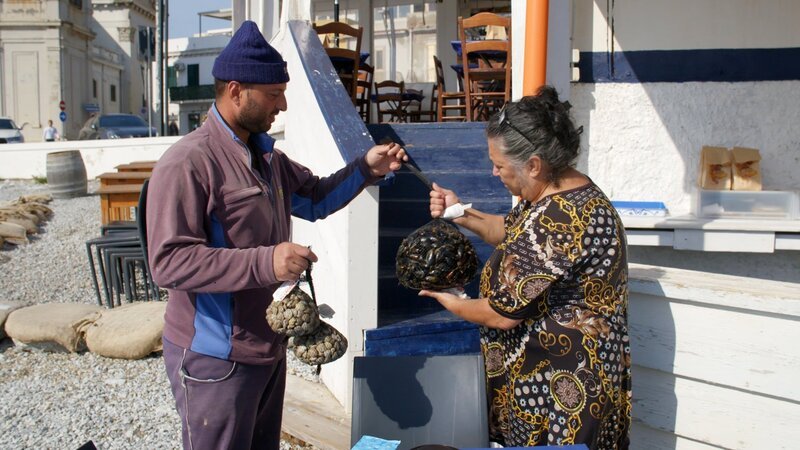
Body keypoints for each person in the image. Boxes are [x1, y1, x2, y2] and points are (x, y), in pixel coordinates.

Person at [146, 21, 406, 450]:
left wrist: (366, 168)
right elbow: (168, 263)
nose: (282, 105)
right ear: (235, 91)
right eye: (273, 94)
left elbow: (317, 198)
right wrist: (266, 261)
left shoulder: (268, 157)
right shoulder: (187, 163)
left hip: (268, 349)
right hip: (215, 357)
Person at [419, 86, 631, 448]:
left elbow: (503, 315)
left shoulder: (563, 217)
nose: (493, 172)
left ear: (533, 164)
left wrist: (454, 303)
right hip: (545, 378)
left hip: (565, 387)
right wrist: (460, 212)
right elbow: (511, 232)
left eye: (499, 165)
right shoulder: (555, 194)